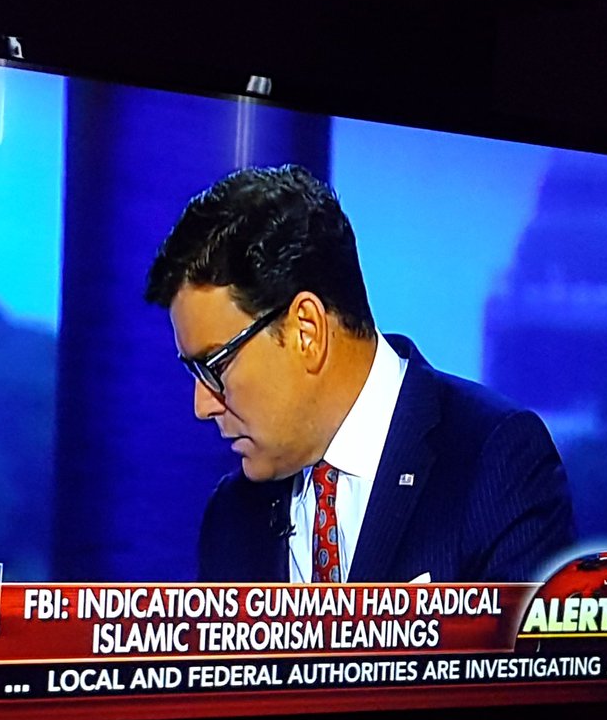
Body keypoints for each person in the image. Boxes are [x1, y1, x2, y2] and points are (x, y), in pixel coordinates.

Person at [144, 163, 576, 584]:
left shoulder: (495, 461)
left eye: (216, 365)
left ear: (306, 331)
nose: (202, 405)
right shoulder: (231, 517)